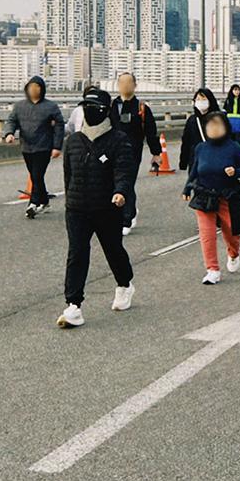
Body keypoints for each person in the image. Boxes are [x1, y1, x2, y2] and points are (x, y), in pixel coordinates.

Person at [56, 87, 135, 328]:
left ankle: (124, 284)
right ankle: (74, 305)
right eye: (86, 108)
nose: (90, 112)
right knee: (77, 253)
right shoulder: (73, 142)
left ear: (105, 111)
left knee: (113, 249)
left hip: (107, 207)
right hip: (77, 208)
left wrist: (120, 192)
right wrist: (70, 201)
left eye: (95, 109)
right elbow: (68, 175)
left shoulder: (118, 140)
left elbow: (124, 171)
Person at [182, 112, 240, 285]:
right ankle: (212, 270)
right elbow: (194, 171)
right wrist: (187, 188)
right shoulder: (201, 148)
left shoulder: (233, 147)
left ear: (225, 127)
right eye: (210, 125)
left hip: (226, 195)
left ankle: (233, 254)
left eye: (217, 125)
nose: (213, 129)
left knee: (231, 233)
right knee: (207, 234)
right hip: (204, 195)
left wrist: (234, 172)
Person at [3, 75, 65, 219]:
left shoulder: (50, 106)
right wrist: (9, 133)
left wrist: (57, 146)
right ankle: (45, 201)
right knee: (36, 175)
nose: (34, 89)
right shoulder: (20, 106)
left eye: (37, 87)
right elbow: (12, 121)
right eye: (31, 87)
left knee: (37, 174)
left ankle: (33, 203)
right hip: (26, 146)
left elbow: (59, 126)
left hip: (44, 146)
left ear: (42, 89)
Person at [110, 72, 161, 236]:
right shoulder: (111, 106)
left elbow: (151, 132)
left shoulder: (141, 108)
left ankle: (127, 218)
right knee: (114, 183)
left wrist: (156, 153)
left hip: (132, 152)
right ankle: (125, 212)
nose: (125, 85)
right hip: (112, 151)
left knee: (127, 182)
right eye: (122, 82)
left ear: (135, 85)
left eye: (128, 82)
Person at [179, 87, 218, 172]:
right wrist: (183, 161)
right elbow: (186, 141)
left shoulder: (218, 119)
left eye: (203, 99)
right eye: (198, 99)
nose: (200, 102)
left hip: (214, 159)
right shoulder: (192, 120)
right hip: (195, 160)